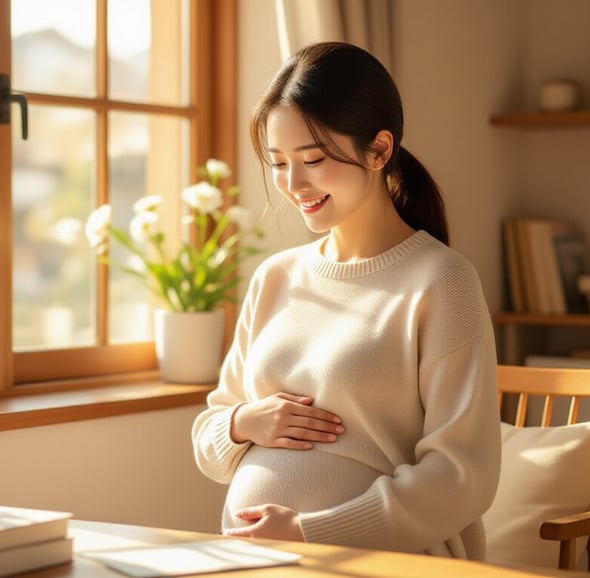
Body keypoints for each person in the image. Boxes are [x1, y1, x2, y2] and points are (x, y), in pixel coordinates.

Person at [191, 41, 501, 560]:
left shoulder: (442, 281)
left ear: (379, 150)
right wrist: (244, 423)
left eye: (313, 159)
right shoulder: (276, 277)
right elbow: (210, 437)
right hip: (257, 563)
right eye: (278, 163)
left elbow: (463, 476)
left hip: (389, 564)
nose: (294, 184)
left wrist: (314, 531)